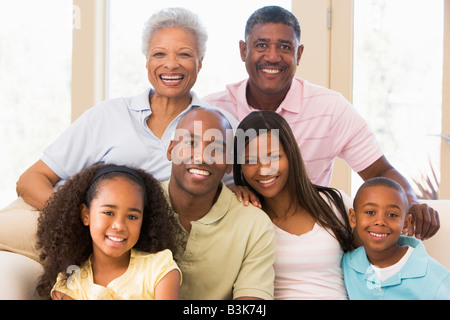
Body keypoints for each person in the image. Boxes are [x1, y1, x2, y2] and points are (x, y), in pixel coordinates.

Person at [0, 7, 237, 262]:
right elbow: (30, 179)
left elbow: (243, 188)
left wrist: (245, 192)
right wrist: (80, 222)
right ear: (147, 62)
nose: (171, 64)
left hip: (118, 242)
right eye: (159, 54)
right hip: (51, 218)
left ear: (200, 62)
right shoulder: (108, 114)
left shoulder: (218, 127)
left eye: (184, 54)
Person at [203, 5, 439, 240]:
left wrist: (413, 201)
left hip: (306, 238)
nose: (272, 56)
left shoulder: (330, 108)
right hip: (236, 235)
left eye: (285, 47)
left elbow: (381, 171)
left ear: (299, 54)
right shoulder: (213, 111)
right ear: (243, 51)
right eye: (261, 45)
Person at [233, 110, 354, 300]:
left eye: (273, 157)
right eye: (250, 161)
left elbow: (376, 260)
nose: (264, 169)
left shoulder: (335, 203)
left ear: (291, 155)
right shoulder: (244, 216)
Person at [164, 107, 276, 300]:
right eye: (191, 143)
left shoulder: (254, 224)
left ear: (229, 164)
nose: (202, 157)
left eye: (216, 149)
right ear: (171, 150)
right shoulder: (139, 206)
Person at [36, 163, 181, 300]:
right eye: (108, 212)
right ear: (86, 215)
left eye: (132, 217)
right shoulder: (70, 283)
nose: (119, 225)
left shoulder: (159, 268)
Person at [342, 177, 450, 299]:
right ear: (353, 218)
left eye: (392, 215)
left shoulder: (437, 279)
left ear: (406, 224)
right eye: (370, 212)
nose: (380, 221)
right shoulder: (345, 266)